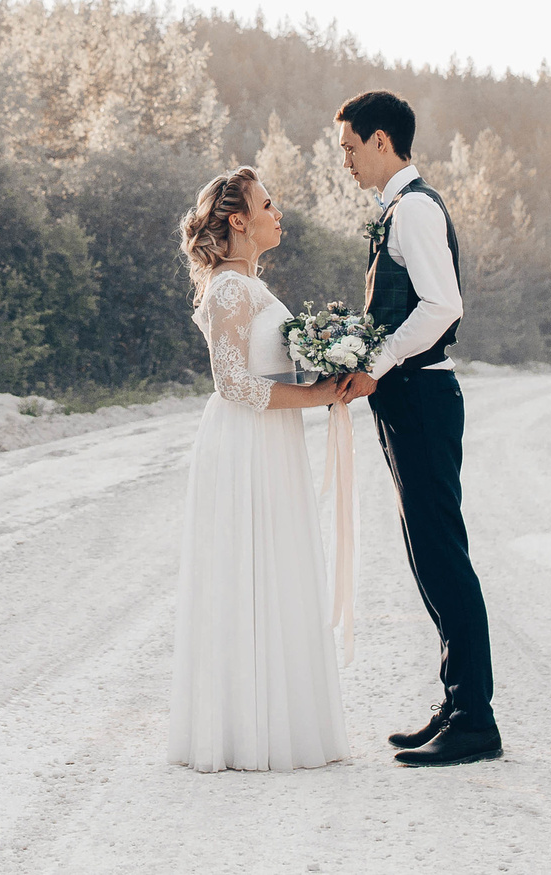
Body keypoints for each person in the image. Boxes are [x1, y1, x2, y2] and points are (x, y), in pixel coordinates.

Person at [329, 89, 500, 766]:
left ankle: (475, 719)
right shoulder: (398, 210)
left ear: (380, 140)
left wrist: (377, 358)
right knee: (425, 552)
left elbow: (441, 306)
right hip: (408, 397)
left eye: (348, 146)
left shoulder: (417, 209)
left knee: (442, 554)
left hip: (422, 395)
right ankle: (458, 702)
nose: (345, 160)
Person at [166, 166, 354, 772]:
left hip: (270, 439)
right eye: (268, 204)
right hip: (246, 441)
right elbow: (234, 384)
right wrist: (323, 395)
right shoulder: (228, 289)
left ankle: (273, 720)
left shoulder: (248, 286)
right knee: (246, 569)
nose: (280, 212)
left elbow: (264, 371)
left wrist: (324, 370)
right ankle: (243, 732)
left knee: (271, 568)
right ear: (239, 221)